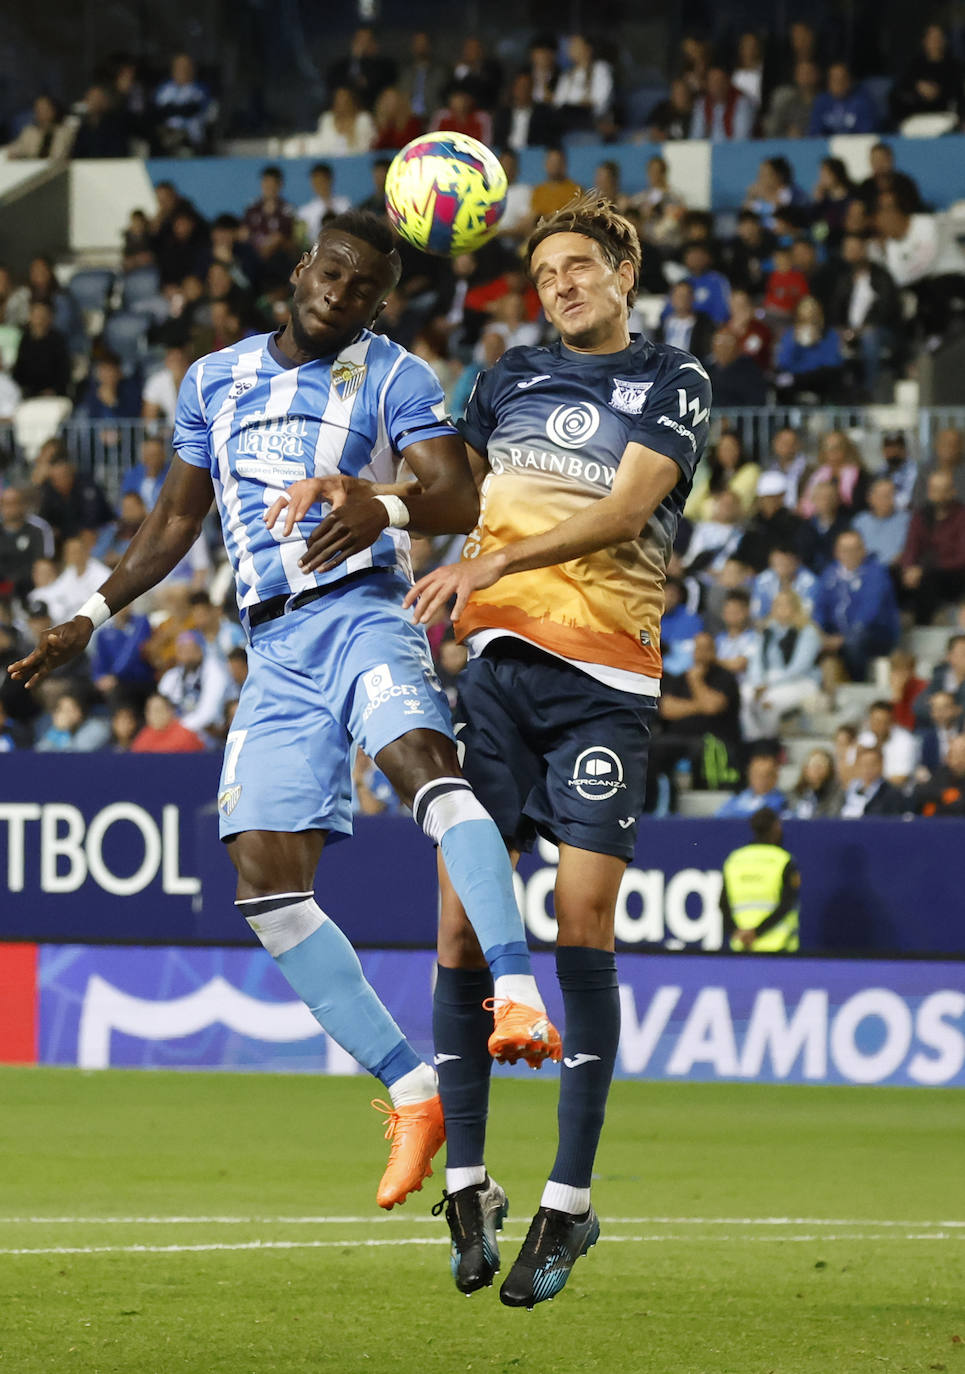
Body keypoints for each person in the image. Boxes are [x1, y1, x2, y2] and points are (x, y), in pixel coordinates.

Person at [10, 209, 559, 1214]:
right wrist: (88, 616)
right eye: (331, 275)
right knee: (263, 881)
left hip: (359, 615)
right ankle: (409, 1086)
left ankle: (517, 991)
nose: (339, 295)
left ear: (378, 302)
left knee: (424, 771)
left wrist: (375, 501)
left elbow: (452, 495)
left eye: (362, 289)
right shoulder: (215, 378)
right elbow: (176, 519)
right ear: (303, 269)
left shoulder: (395, 375)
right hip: (272, 647)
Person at [381, 193, 710, 1306]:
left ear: (623, 265)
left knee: (579, 922)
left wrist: (493, 566)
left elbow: (624, 512)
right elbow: (448, 502)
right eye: (546, 272)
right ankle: (468, 1184)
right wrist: (368, 499)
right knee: (461, 927)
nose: (561, 284)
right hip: (500, 682)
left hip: (605, 686)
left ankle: (569, 1203)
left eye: (579, 265)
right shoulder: (503, 378)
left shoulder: (671, 382)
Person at [813, 530, 899, 681]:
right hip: (837, 634)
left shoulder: (876, 573)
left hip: (875, 634)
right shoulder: (830, 574)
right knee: (809, 637)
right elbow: (819, 607)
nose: (849, 554)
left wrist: (843, 638)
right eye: (845, 550)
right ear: (837, 552)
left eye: (855, 549)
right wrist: (819, 632)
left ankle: (857, 683)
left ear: (863, 550)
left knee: (855, 640)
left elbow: (869, 612)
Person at [720, 807, 800, 952]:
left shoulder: (735, 860)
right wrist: (756, 932)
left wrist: (735, 932)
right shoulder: (783, 860)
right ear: (776, 826)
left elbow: (723, 904)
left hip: (743, 946)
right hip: (778, 946)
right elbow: (787, 903)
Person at [900, 471, 965, 623]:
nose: (939, 495)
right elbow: (911, 546)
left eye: (944, 490)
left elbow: (962, 558)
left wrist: (925, 569)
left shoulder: (962, 515)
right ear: (929, 492)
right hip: (922, 570)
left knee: (927, 579)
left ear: (953, 491)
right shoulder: (920, 515)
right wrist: (908, 568)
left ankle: (922, 625)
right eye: (935, 490)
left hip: (954, 573)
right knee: (891, 575)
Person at [808, 62, 877, 136]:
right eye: (834, 79)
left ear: (850, 80)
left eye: (842, 79)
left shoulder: (862, 101)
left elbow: (867, 133)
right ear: (828, 82)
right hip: (826, 146)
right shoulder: (821, 102)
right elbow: (815, 132)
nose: (839, 83)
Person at [838, 744, 905, 816]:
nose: (867, 769)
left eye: (872, 764)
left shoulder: (892, 794)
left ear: (881, 765)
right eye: (863, 764)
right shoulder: (849, 790)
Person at [716, 750, 787, 818]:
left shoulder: (780, 801)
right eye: (756, 774)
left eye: (765, 775)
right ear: (749, 776)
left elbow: (760, 819)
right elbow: (719, 815)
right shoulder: (739, 797)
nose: (760, 780)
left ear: (775, 778)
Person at [911, 733, 965, 816]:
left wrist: (936, 807)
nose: (957, 761)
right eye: (953, 754)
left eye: (961, 755)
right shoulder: (943, 772)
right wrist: (944, 794)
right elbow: (920, 791)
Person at [788, 747, 844, 818]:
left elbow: (834, 814)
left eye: (821, 766)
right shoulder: (794, 793)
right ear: (805, 769)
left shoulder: (837, 793)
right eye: (813, 765)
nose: (816, 770)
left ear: (829, 770)